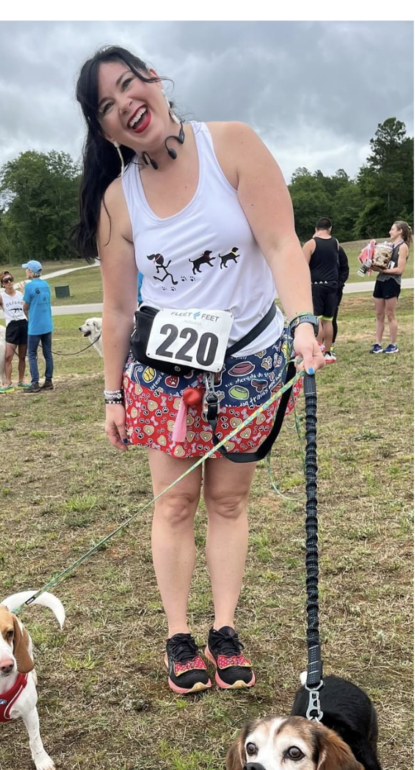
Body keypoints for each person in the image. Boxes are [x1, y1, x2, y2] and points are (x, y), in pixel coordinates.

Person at [73, 45, 324, 695]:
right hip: (166, 373)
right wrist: (111, 395)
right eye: (106, 104)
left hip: (251, 359)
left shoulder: (233, 146)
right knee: (177, 502)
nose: (125, 102)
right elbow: (119, 307)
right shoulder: (116, 202)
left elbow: (278, 244)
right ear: (103, 129)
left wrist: (301, 322)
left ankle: (226, 629)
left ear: (155, 80)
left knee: (229, 499)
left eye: (129, 83)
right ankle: (180, 635)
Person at [370, 221, 412, 355]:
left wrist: (382, 270)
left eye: (392, 229)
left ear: (400, 231)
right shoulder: (388, 245)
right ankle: (378, 344)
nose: (390, 232)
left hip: (392, 282)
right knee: (379, 314)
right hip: (380, 281)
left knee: (390, 314)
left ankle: (393, 344)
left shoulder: (403, 247)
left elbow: (400, 270)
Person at [302, 218, 340, 363]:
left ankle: (317, 350)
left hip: (316, 285)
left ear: (315, 228)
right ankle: (328, 352)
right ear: (330, 228)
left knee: (317, 320)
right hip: (332, 285)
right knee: (328, 320)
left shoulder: (311, 244)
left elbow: (303, 265)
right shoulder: (335, 242)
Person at [0, 270, 29, 392]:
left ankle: (21, 380)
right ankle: (7, 382)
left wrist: (29, 323)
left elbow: (26, 310)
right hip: (12, 327)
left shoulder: (20, 294)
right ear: (2, 284)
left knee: (22, 356)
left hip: (23, 325)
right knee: (8, 357)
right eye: (6, 281)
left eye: (10, 279)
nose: (9, 282)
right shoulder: (0, 297)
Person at [20, 260, 54, 392]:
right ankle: (48, 380)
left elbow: (25, 306)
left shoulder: (29, 286)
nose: (25, 271)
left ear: (30, 271)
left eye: (26, 269)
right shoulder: (46, 284)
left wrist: (24, 292)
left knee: (32, 354)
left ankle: (34, 382)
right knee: (47, 353)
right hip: (47, 324)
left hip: (35, 326)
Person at [331, 244, 350, 347]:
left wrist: (338, 284)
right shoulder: (313, 247)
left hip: (335, 289)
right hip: (316, 289)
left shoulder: (338, 249)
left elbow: (345, 269)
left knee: (331, 317)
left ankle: (330, 345)